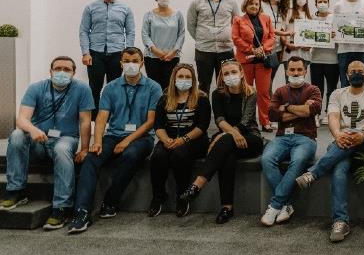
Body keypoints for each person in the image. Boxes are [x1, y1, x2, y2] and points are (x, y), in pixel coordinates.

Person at [68, 47, 162, 234]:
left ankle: (110, 201)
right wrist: (97, 141)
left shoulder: (154, 87)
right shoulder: (110, 87)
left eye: (135, 61)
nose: (131, 64)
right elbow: (102, 117)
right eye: (126, 61)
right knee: (91, 159)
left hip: (142, 137)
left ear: (142, 63)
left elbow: (150, 122)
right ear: (121, 63)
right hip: (113, 135)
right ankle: (82, 212)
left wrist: (127, 141)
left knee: (131, 154)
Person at [294, 61, 364, 243]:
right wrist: (338, 135)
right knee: (339, 168)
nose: (357, 74)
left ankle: (314, 173)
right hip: (342, 144)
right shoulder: (337, 94)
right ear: (347, 75)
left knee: (353, 138)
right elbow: (333, 117)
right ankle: (340, 222)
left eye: (361, 71)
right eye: (353, 71)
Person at [0, 57, 94, 230]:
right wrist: (33, 130)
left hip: (66, 138)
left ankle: (62, 207)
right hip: (39, 139)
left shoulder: (82, 89)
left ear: (74, 73)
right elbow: (21, 119)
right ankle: (15, 190)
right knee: (17, 134)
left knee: (62, 148)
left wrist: (85, 148)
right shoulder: (36, 88)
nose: (62, 72)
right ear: (50, 71)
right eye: (58, 68)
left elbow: (85, 121)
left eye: (67, 69)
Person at [179, 60, 264, 224]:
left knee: (224, 143)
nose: (230, 76)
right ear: (222, 77)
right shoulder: (217, 94)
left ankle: (197, 186)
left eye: (233, 72)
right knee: (227, 157)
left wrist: (226, 135)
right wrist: (230, 134)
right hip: (228, 139)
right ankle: (227, 207)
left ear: (241, 73)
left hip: (250, 137)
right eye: (226, 74)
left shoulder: (250, 92)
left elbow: (246, 121)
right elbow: (219, 119)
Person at [260, 57, 321, 226]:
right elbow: (272, 115)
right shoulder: (280, 91)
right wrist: (302, 109)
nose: (295, 73)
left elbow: (312, 110)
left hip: (306, 137)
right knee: (266, 159)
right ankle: (285, 205)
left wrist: (286, 107)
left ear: (305, 71)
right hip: (282, 137)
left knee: (298, 161)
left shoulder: (313, 89)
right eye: (292, 70)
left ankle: (275, 205)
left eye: (299, 70)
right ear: (286, 71)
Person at [148, 63, 211, 217]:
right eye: (181, 76)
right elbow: (158, 125)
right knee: (157, 156)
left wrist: (183, 139)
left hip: (194, 139)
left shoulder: (202, 98)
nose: (184, 79)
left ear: (193, 80)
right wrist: (165, 140)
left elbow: (202, 126)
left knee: (179, 155)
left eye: (188, 77)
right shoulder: (164, 98)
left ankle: (182, 196)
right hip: (169, 137)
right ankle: (158, 196)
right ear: (174, 79)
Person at [78, 0, 135, 108]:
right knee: (94, 88)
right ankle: (95, 117)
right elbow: (84, 31)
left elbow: (130, 32)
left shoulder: (125, 9)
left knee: (115, 88)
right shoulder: (90, 8)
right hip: (95, 53)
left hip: (117, 53)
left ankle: (112, 116)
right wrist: (85, 53)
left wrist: (128, 54)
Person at [187, 0, 239, 96]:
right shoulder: (196, 2)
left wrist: (228, 37)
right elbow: (191, 25)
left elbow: (237, 24)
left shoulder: (231, 2)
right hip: (204, 50)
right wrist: (202, 38)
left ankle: (223, 109)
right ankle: (204, 109)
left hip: (226, 50)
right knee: (203, 85)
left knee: (226, 84)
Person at [232, 0, 276, 132]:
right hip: (246, 61)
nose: (254, 6)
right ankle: (247, 121)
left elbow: (272, 37)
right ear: (245, 5)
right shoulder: (238, 20)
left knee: (264, 93)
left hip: (264, 61)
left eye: (257, 4)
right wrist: (252, 49)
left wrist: (263, 48)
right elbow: (236, 38)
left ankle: (265, 121)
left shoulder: (266, 18)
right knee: (247, 93)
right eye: (251, 3)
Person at [141, 0, 185, 90]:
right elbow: (145, 34)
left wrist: (174, 51)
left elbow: (182, 34)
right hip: (152, 57)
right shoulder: (148, 14)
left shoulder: (178, 14)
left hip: (172, 57)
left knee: (169, 88)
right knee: (154, 87)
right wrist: (156, 51)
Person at [332, 0, 364, 86]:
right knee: (345, 83)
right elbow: (334, 26)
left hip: (363, 50)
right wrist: (333, 33)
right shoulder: (338, 6)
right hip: (344, 50)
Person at [310, 0, 339, 125]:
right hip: (316, 59)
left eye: (325, 1)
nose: (322, 4)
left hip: (332, 59)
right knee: (317, 90)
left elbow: (341, 35)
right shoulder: (311, 19)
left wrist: (336, 35)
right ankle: (316, 114)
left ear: (328, 3)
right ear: (316, 4)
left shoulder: (335, 18)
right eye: (320, 2)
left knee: (332, 89)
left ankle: (328, 114)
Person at [260, 0, 291, 85]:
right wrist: (285, 33)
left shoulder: (283, 10)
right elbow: (262, 27)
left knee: (270, 80)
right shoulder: (262, 5)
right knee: (264, 81)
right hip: (264, 49)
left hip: (277, 50)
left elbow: (283, 28)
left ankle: (269, 96)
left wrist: (285, 39)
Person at [283, 0, 313, 80]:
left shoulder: (309, 16)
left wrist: (310, 45)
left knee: (301, 81)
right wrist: (287, 43)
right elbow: (282, 32)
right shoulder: (289, 12)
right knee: (290, 81)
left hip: (304, 54)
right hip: (290, 52)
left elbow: (312, 35)